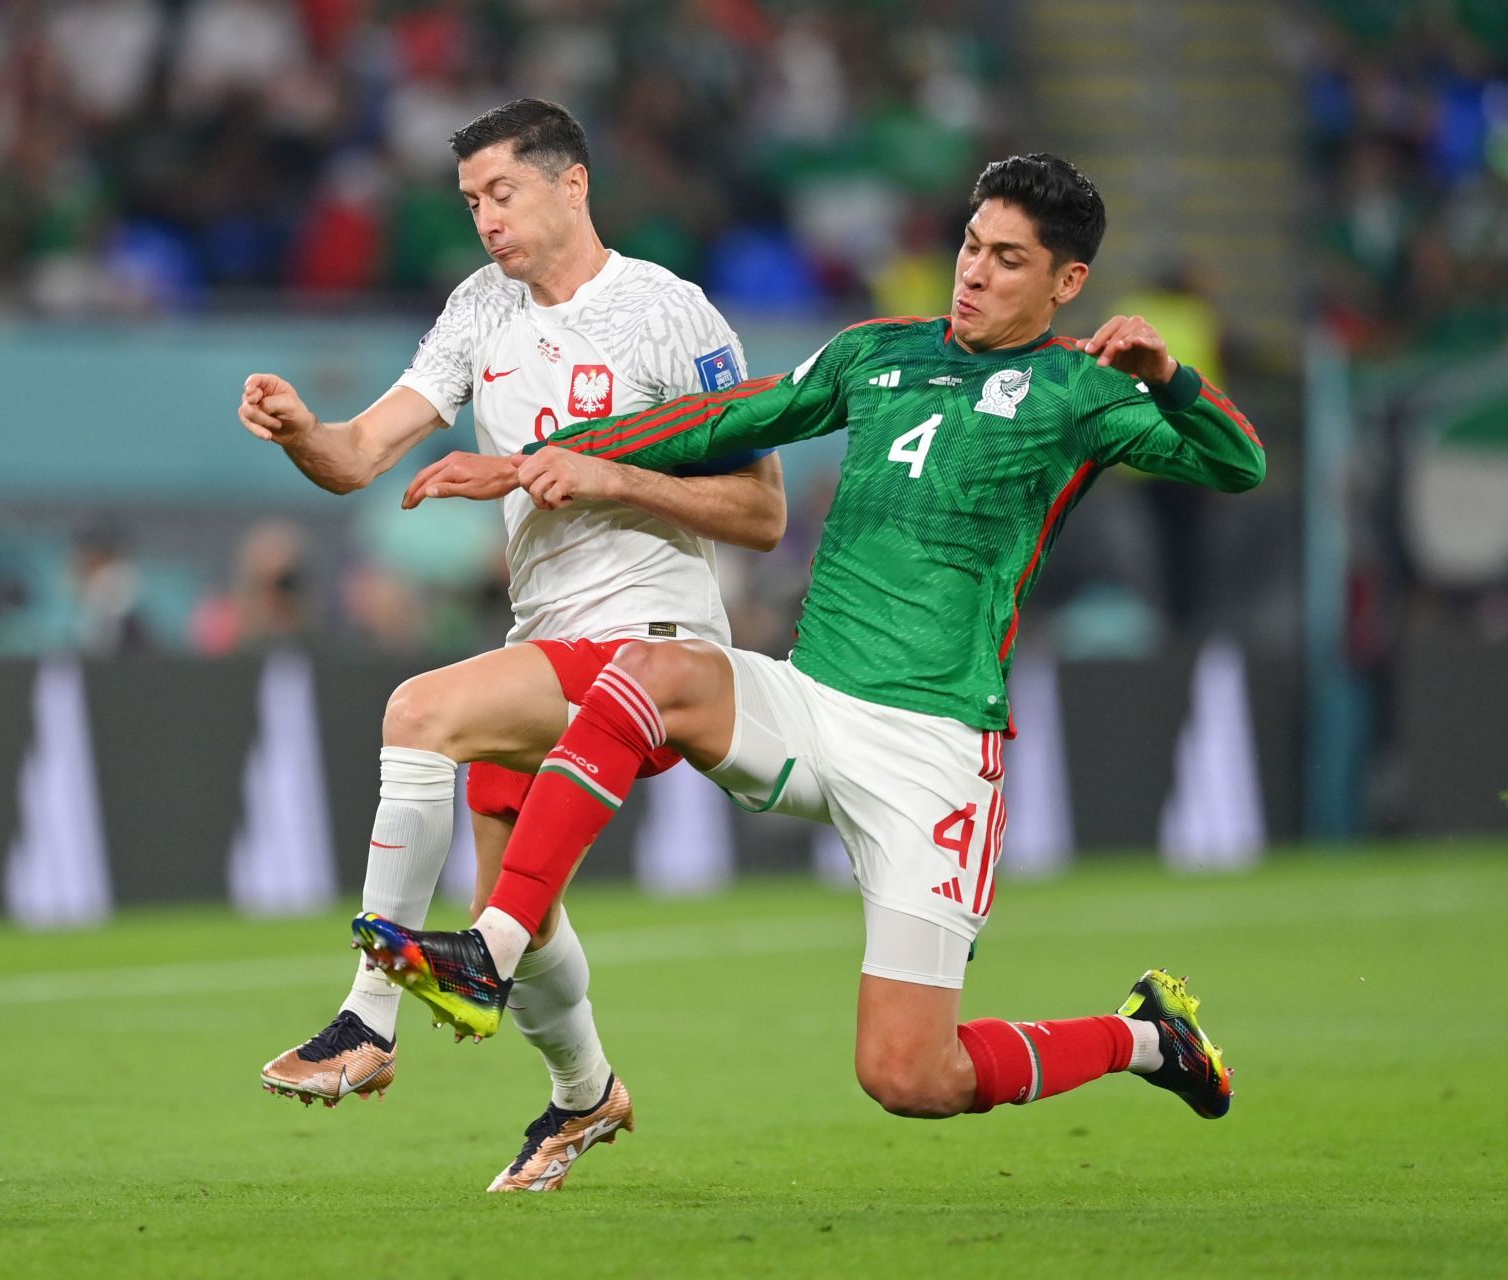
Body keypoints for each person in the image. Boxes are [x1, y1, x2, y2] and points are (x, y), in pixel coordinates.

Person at [357, 153, 1263, 1129]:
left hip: (937, 749)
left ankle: (1148, 1038)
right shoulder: (874, 353)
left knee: (912, 1075)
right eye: (970, 245)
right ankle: (491, 947)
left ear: (1066, 281)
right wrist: (539, 460)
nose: (973, 271)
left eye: (1007, 259)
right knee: (650, 669)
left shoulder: (1078, 387)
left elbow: (1237, 462)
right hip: (813, 698)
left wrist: (1171, 376)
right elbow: (721, 417)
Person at [236, 98, 786, 1190]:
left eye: (503, 192)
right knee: (521, 923)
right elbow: (359, 456)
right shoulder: (480, 309)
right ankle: (586, 1095)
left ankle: (367, 1018)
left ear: (571, 184)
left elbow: (762, 510)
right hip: (547, 639)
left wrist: (613, 472)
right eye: (471, 201)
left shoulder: (670, 313)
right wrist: (306, 431)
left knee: (417, 710)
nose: (485, 219)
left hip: (652, 644)